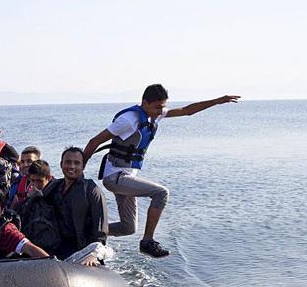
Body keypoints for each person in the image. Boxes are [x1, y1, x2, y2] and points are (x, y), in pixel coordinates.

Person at [83, 84, 240, 257]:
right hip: (115, 177)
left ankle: (87, 233)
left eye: (163, 106)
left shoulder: (154, 116)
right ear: (145, 103)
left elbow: (187, 110)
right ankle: (147, 242)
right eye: (157, 107)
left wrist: (217, 101)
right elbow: (95, 141)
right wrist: (79, 172)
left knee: (127, 228)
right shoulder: (128, 120)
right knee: (161, 193)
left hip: (127, 177)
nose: (161, 111)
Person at [44, 147, 108, 265]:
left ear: (83, 166)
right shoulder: (53, 188)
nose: (72, 166)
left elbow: (100, 229)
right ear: (61, 164)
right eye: (68, 162)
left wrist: (93, 255)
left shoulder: (91, 190)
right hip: (56, 246)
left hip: (81, 247)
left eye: (77, 163)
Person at [7, 146, 42, 210]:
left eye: (29, 161)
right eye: (22, 162)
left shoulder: (46, 183)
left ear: (39, 162)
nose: (25, 165)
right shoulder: (16, 183)